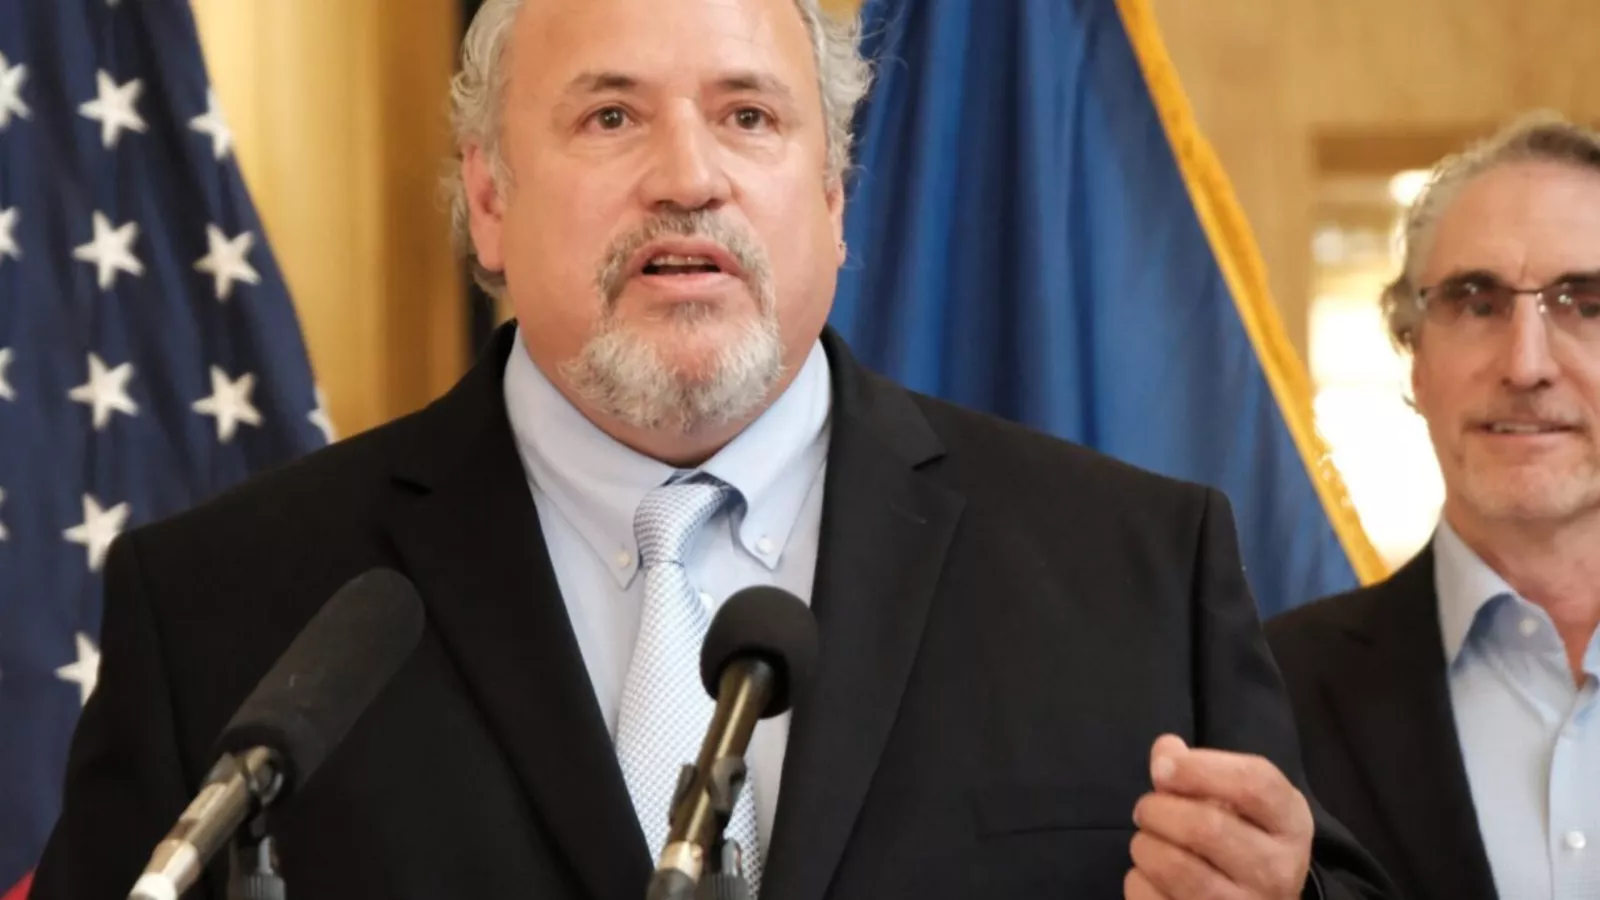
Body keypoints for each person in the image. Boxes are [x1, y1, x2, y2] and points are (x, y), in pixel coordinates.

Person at [32, 0, 1392, 897]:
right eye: (611, 116)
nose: (689, 175)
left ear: (834, 196)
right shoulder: (228, 605)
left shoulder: (1133, 571)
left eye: (749, 115)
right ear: (489, 200)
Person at [1267, 113, 1600, 900]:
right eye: (1476, 302)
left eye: (1586, 303)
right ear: (1415, 359)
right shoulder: (1272, 693)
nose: (1525, 365)